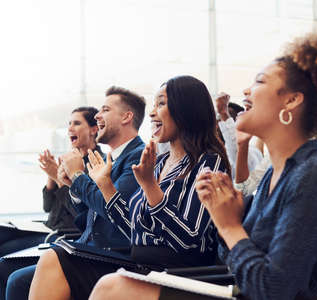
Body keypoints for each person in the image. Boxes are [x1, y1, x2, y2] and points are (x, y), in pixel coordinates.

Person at [90, 31, 317, 300]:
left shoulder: (316, 175)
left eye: (259, 81)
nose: (246, 91)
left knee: (113, 288)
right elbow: (232, 258)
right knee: (110, 284)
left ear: (291, 100)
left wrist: (229, 226)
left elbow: (274, 289)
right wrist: (229, 220)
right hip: (233, 287)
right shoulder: (278, 173)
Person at [30, 75, 230, 300]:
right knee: (52, 258)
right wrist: (105, 185)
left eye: (161, 104)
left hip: (176, 271)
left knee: (83, 273)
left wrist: (150, 187)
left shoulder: (209, 162)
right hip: (141, 263)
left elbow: (189, 238)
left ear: (186, 109)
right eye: (154, 105)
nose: (153, 113)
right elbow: (130, 228)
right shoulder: (159, 163)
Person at [0, 87, 146, 300]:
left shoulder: (137, 157)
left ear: (127, 117)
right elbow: (86, 214)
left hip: (109, 254)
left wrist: (78, 177)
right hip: (86, 246)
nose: (98, 115)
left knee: (15, 279)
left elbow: (112, 209)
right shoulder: (113, 157)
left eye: (105, 109)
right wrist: (69, 183)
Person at [0, 109, 97, 300]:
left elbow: (81, 214)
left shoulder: (95, 162)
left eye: (77, 123)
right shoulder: (67, 159)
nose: (70, 128)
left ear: (93, 129)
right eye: (69, 123)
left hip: (62, 234)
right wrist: (51, 179)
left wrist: (60, 182)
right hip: (47, 225)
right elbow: (48, 206)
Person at [215, 92, 263, 179]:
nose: (219, 124)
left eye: (220, 120)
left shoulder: (253, 152)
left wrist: (224, 114)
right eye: (218, 119)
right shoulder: (213, 153)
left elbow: (236, 152)